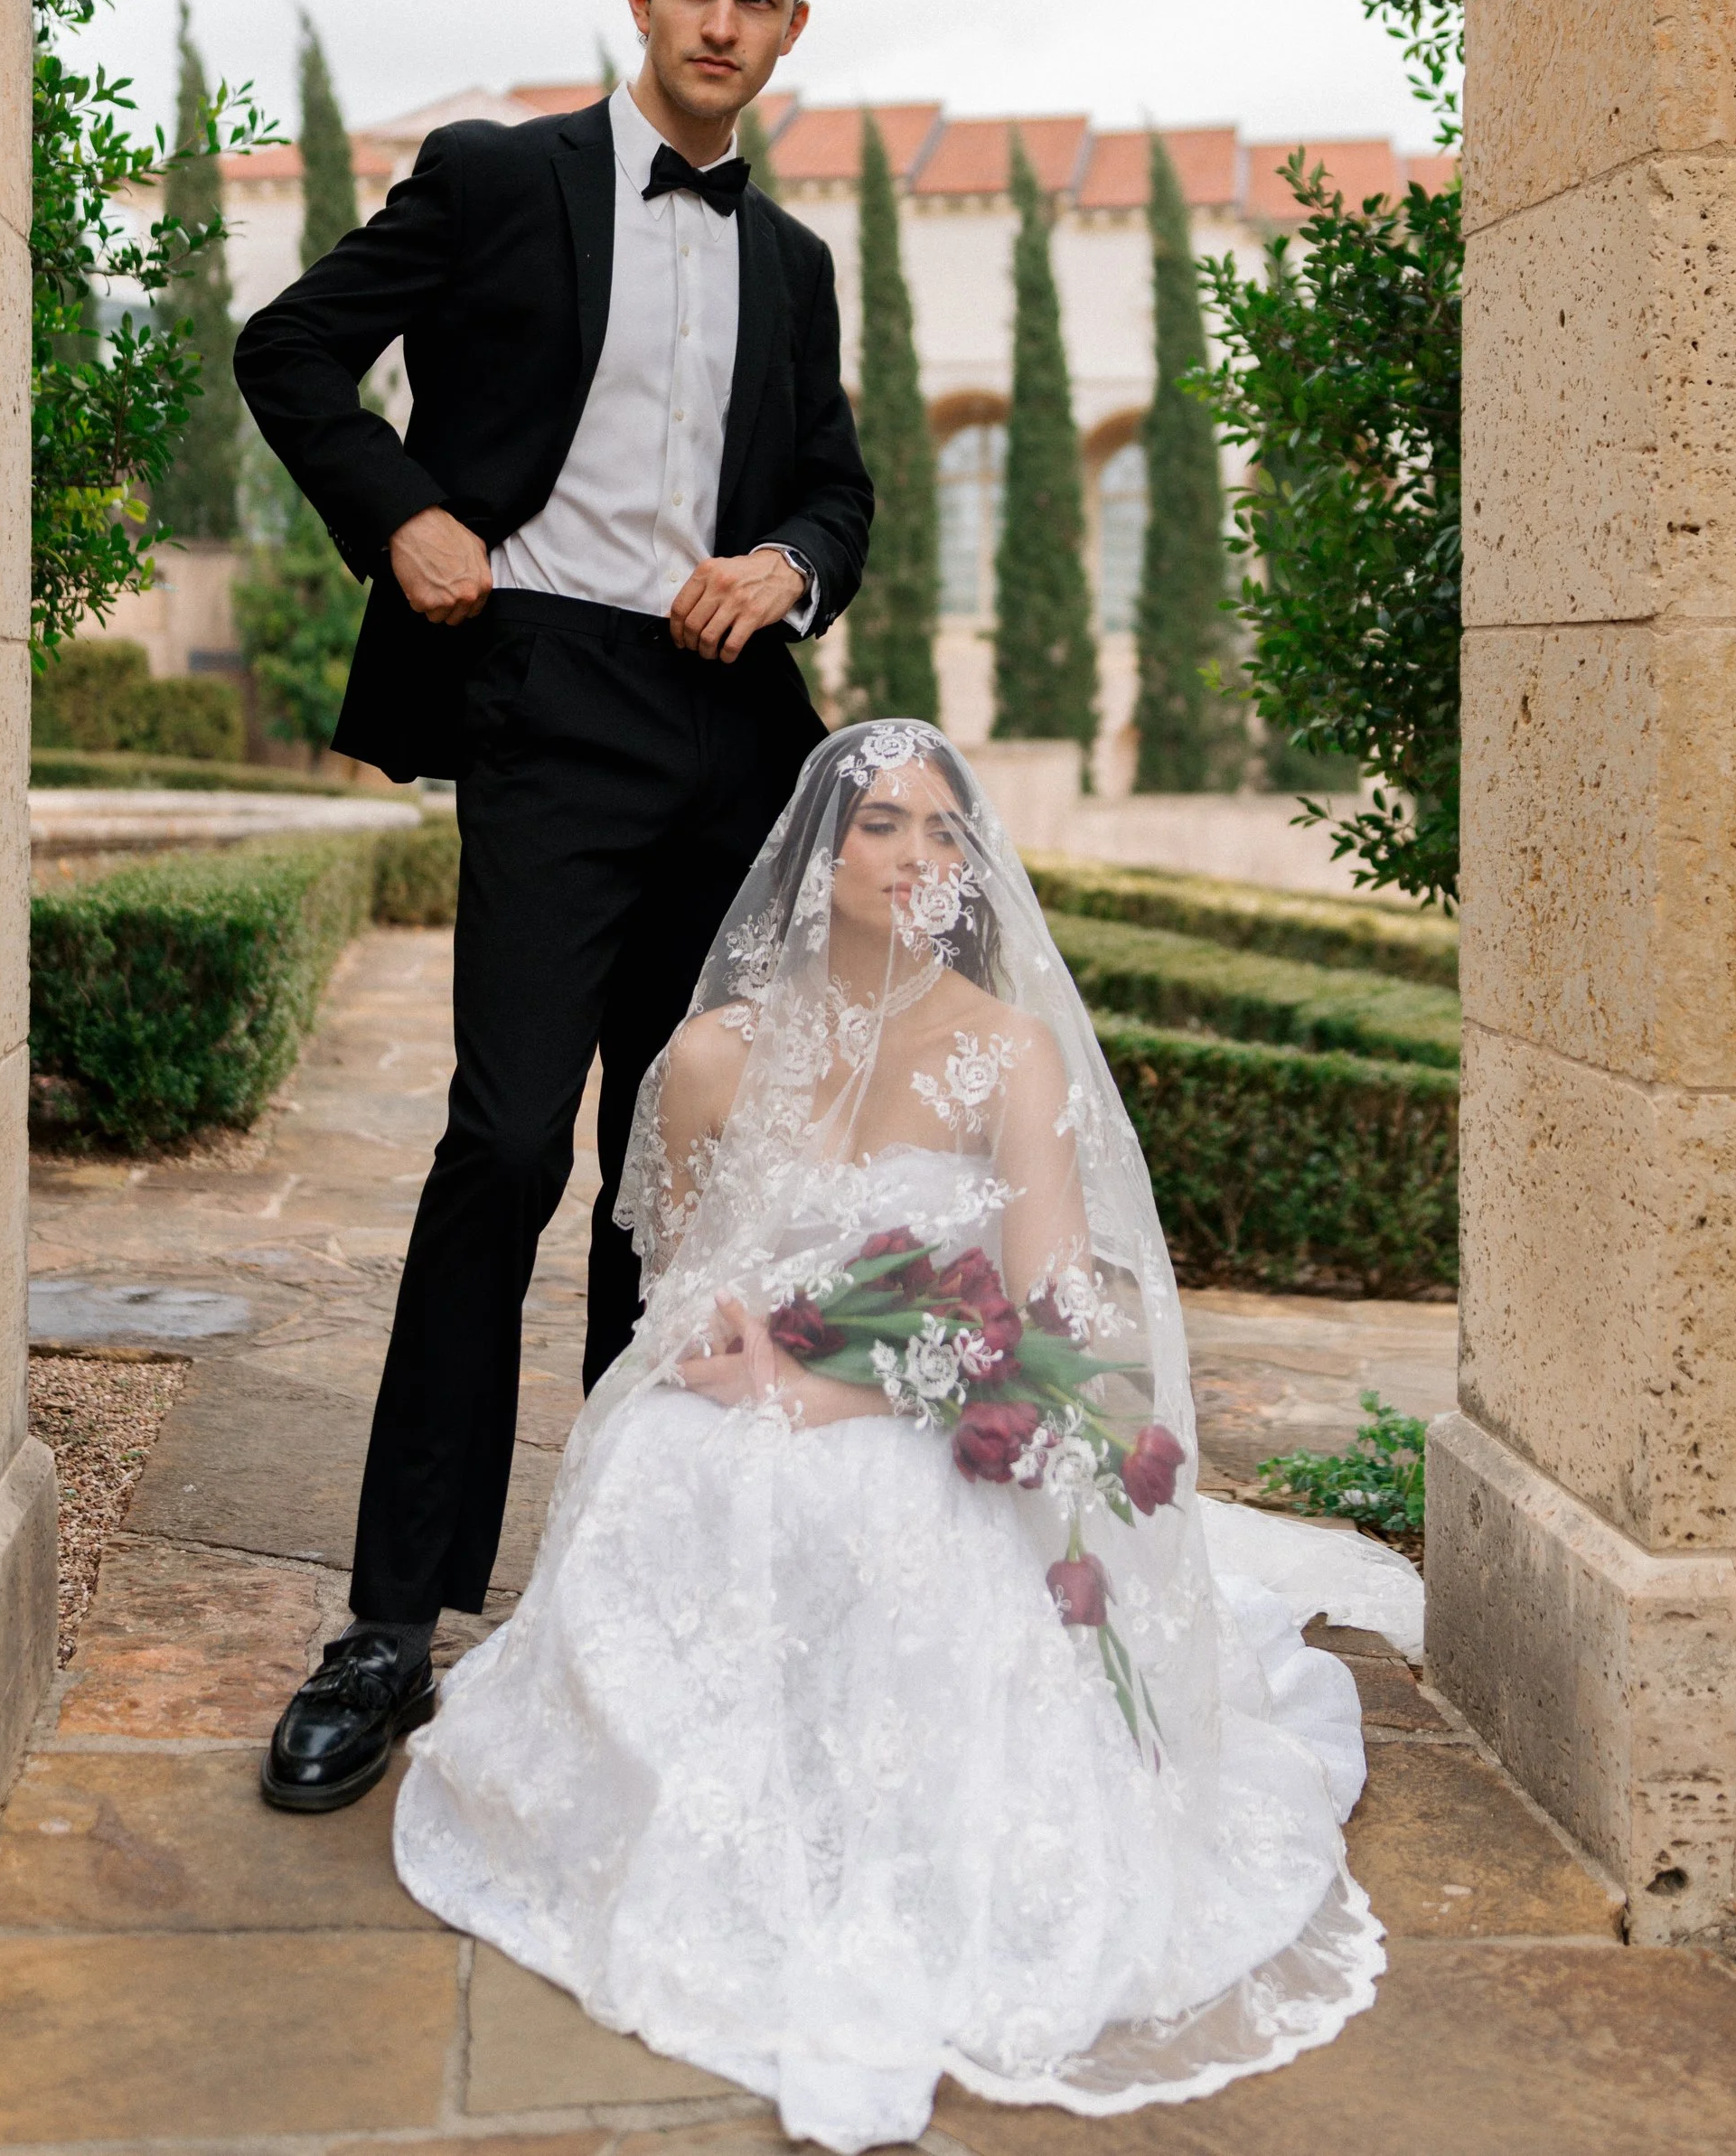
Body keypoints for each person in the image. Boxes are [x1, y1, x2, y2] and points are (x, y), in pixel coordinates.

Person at [391, 724, 1386, 2154]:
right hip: (750, 1391)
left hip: (944, 1410)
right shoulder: (713, 1055)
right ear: (817, 853)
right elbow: (674, 1270)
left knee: (881, 1506)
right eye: (882, 827)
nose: (920, 857)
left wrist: (836, 1389)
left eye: (943, 829)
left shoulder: (1007, 1051)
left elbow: (1044, 1324)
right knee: (667, 1472)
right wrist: (720, 1345)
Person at [233, 0, 873, 1814]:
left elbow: (839, 495)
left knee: (664, 1183)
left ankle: (617, 1583)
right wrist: (405, 509)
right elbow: (290, 352)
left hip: (726, 740)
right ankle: (384, 1629)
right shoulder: (503, 177)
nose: (719, 24)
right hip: (544, 709)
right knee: (504, 1144)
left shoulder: (792, 263)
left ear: (788, 29)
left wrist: (783, 567)